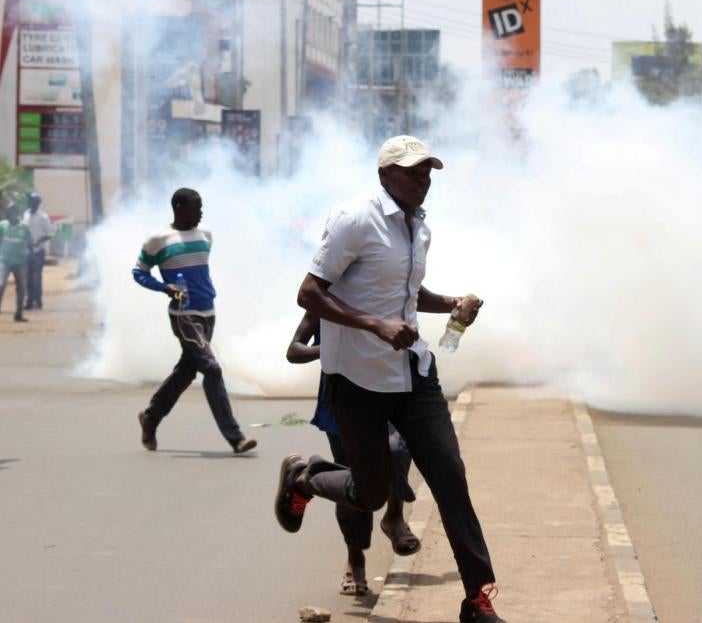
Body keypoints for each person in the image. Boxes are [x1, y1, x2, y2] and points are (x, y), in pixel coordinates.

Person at [274, 135, 503, 623]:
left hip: (414, 373)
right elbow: (309, 294)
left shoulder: (419, 228)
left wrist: (450, 305)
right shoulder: (354, 219)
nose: (422, 182)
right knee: (371, 494)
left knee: (451, 477)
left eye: (427, 174)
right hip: (357, 379)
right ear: (385, 175)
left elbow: (405, 292)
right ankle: (305, 477)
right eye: (412, 173)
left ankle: (477, 600)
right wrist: (374, 325)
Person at [287, 311, 421, 596]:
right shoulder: (326, 298)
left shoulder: (385, 288)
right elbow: (294, 351)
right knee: (353, 476)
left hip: (387, 389)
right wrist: (331, 350)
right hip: (342, 399)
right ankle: (355, 558)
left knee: (397, 449)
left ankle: (394, 517)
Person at [132, 188, 256, 454]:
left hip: (208, 312)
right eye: (196, 206)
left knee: (186, 372)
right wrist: (164, 287)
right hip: (183, 314)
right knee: (211, 368)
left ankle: (150, 417)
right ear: (179, 207)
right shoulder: (159, 239)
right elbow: (139, 272)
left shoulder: (205, 235)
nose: (201, 211)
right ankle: (235, 437)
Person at [23, 192, 54, 310]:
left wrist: (39, 241)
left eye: (30, 200)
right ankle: (29, 301)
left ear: (36, 203)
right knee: (28, 277)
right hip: (27, 251)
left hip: (38, 251)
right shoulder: (26, 214)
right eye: (29, 200)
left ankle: (38, 301)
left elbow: (50, 233)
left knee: (37, 277)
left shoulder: (43, 217)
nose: (28, 202)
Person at [0, 204, 31, 322]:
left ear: (16, 213)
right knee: (1, 284)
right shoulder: (2, 225)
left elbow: (29, 244)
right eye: (7, 212)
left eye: (10, 212)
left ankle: (18, 314)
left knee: (21, 287)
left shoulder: (24, 228)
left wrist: (30, 259)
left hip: (21, 262)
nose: (8, 214)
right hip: (4, 260)